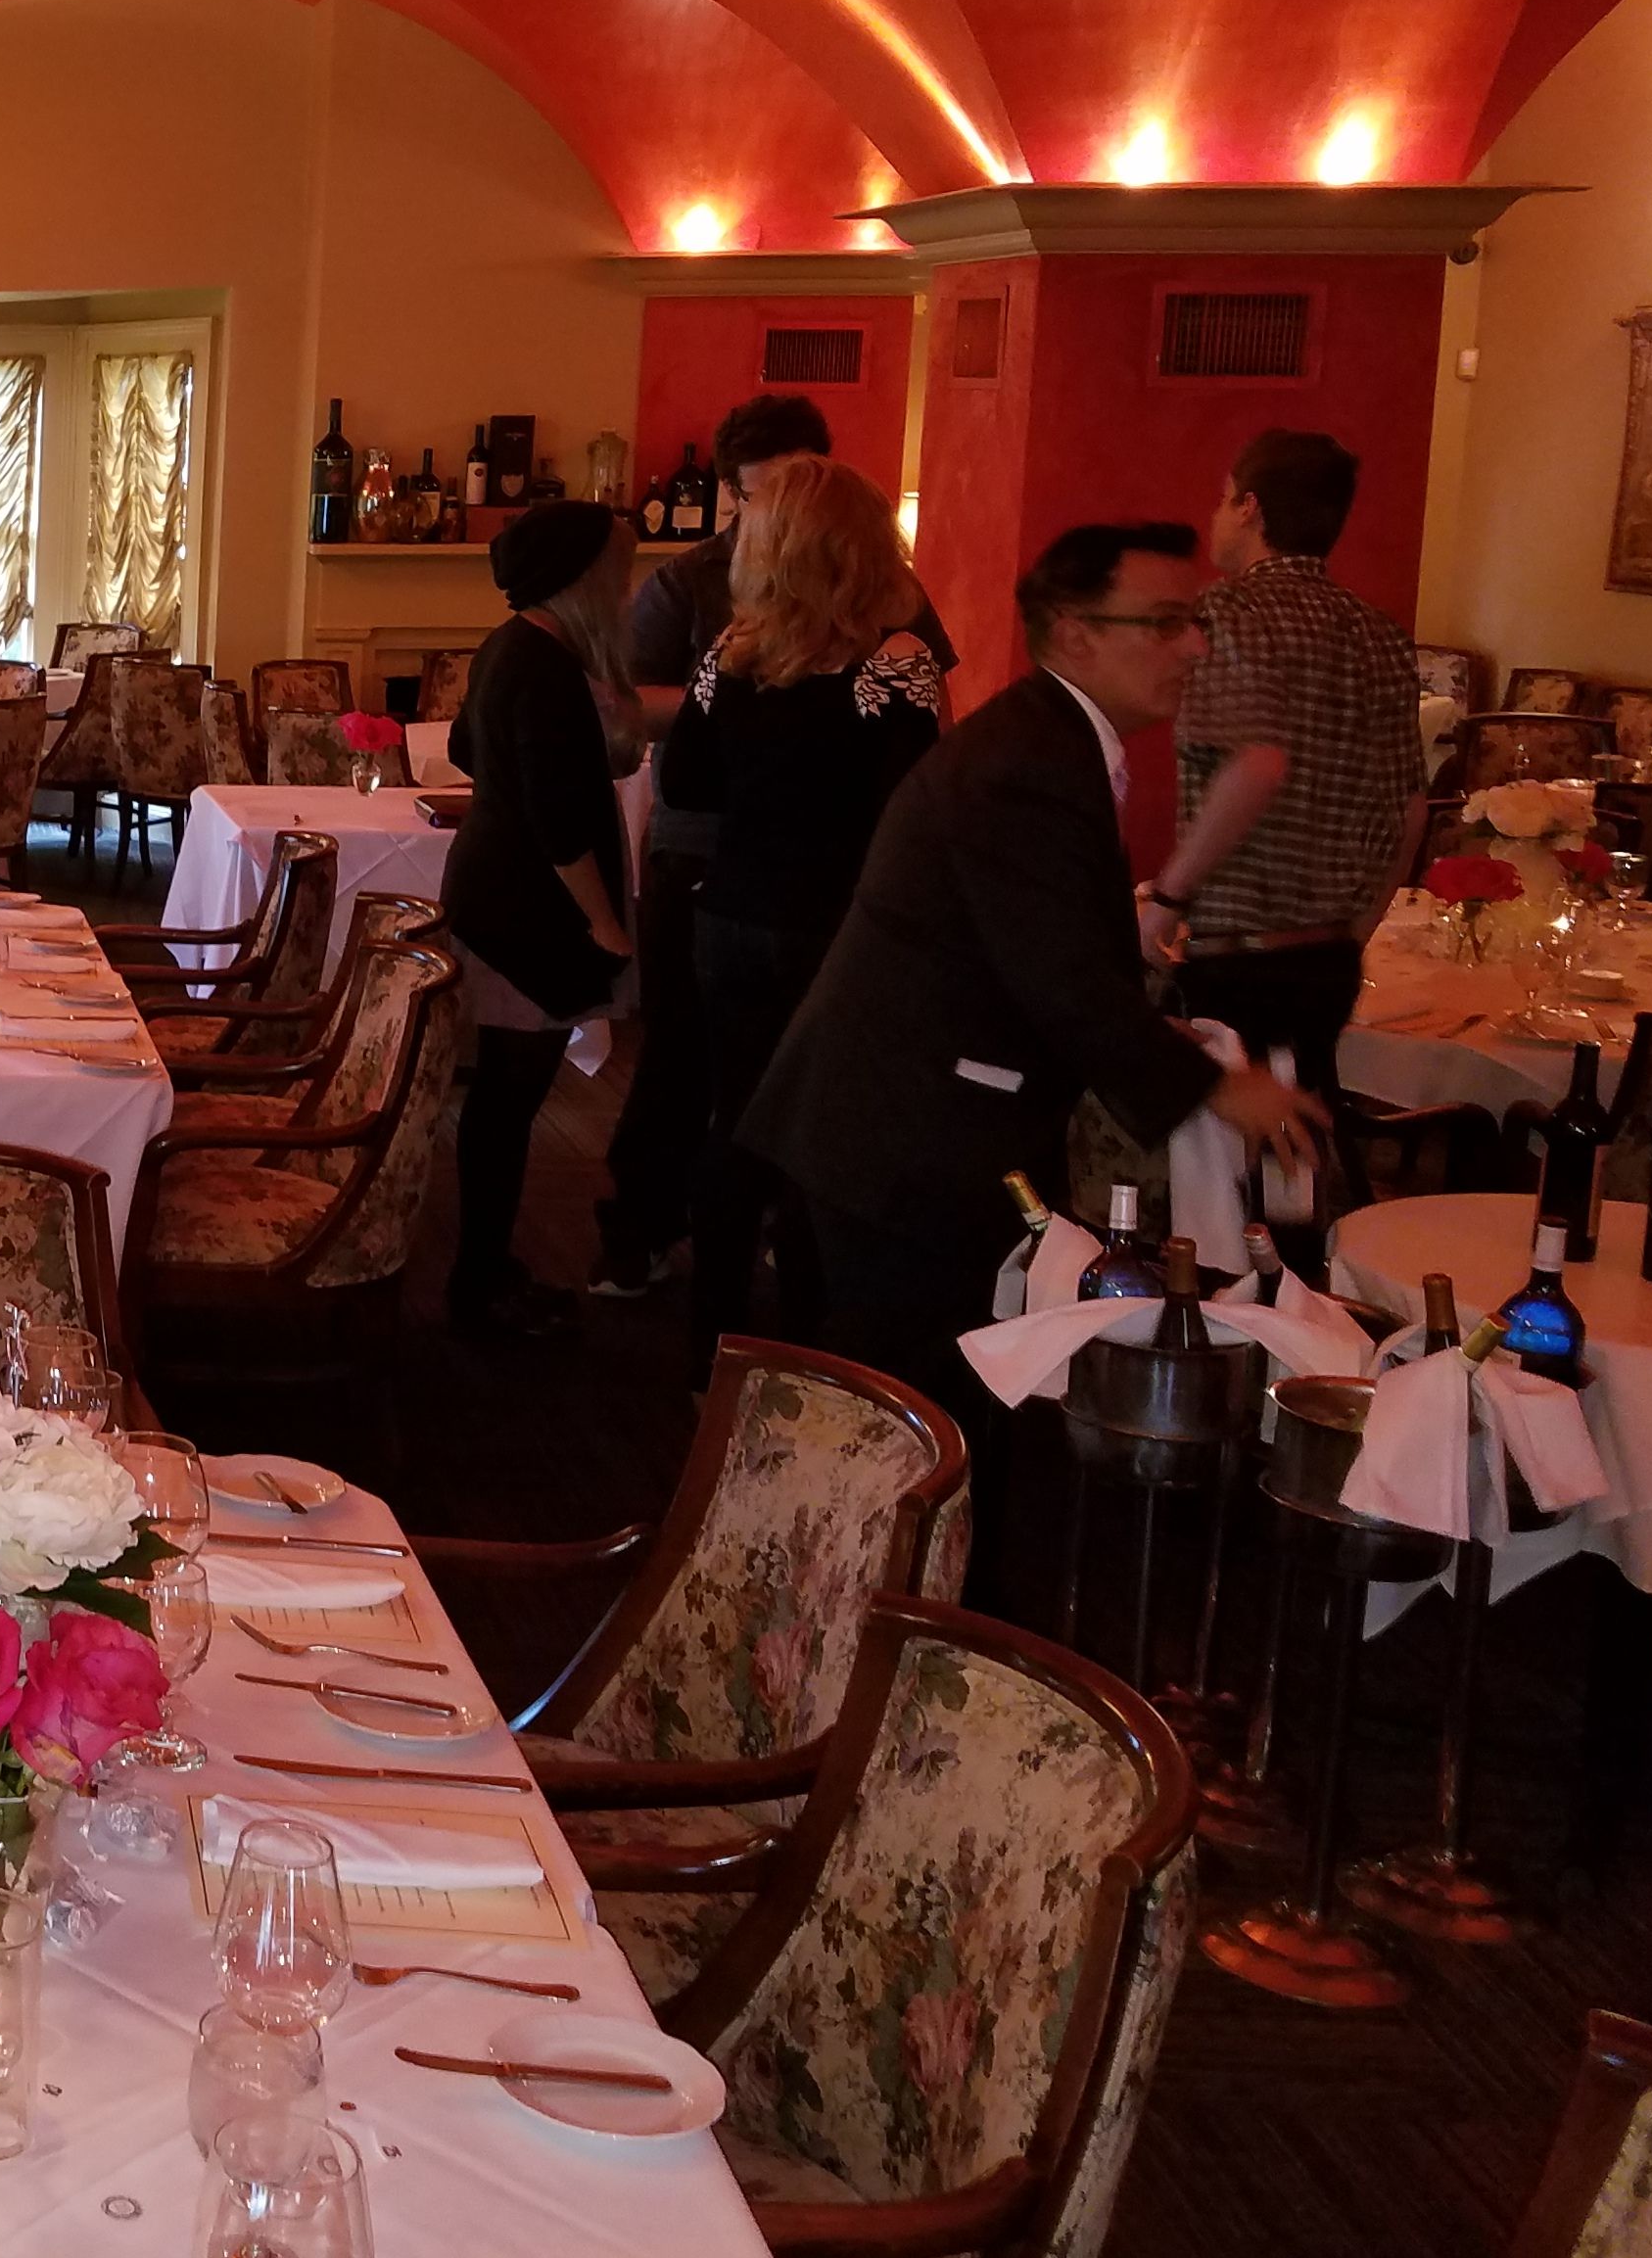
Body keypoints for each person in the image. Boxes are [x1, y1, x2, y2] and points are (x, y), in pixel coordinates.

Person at [746, 523, 1323, 1592]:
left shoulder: (1052, 741)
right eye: (1165, 623)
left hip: (903, 1116)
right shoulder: (1029, 763)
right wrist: (1213, 1087)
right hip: (903, 1133)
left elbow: (1034, 947)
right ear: (1074, 632)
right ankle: (891, 1630)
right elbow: (1061, 986)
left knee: (928, 1408)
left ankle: (906, 1617)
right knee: (914, 1418)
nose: (1194, 646)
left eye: (1194, 621)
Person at [596, 396, 953, 1298]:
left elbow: (687, 783)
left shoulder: (734, 649)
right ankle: (806, 1333)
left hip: (733, 908)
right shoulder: (898, 659)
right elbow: (917, 812)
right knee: (823, 1128)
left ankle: (711, 1336)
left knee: (735, 1116)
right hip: (839, 922)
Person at [1140, 428, 1428, 1105]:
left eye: (1223, 498)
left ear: (1250, 507)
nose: (1216, 514)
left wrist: (1166, 903)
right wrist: (1353, 934)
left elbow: (1254, 766)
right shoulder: (1380, 632)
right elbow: (1411, 810)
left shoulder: (1227, 612)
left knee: (1217, 1150)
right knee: (1297, 1140)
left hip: (1235, 959)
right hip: (1328, 961)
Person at [439, 498, 641, 1340]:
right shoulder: (548, 666)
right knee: (507, 1104)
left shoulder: (507, 646)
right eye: (618, 574)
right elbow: (561, 824)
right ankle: (481, 1280)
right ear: (581, 577)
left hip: (495, 895)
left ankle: (485, 1268)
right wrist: (606, 925)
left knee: (501, 1101)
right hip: (528, 911)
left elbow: (463, 748)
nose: (627, 590)